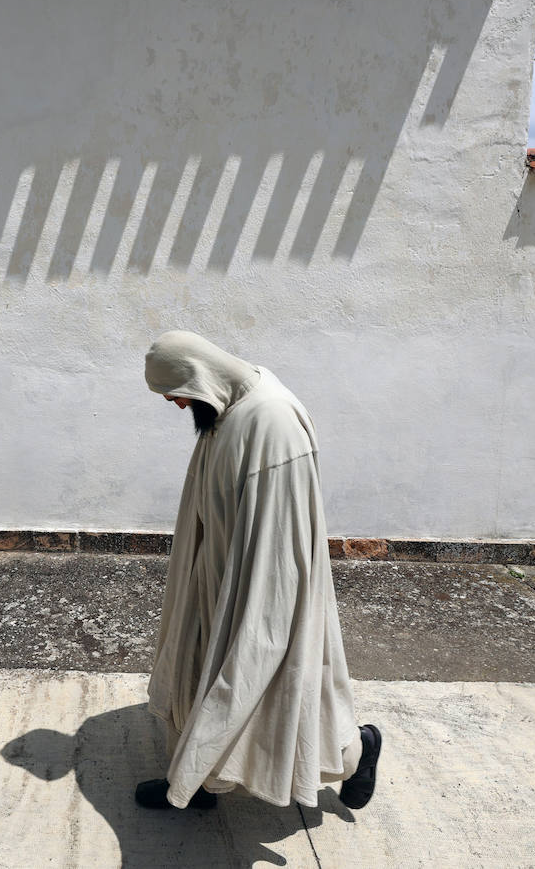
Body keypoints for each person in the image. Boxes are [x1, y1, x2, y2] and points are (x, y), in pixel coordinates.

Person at [135, 330, 381, 811]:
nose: (181, 408)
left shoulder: (271, 422)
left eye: (179, 396)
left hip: (260, 592)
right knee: (199, 675)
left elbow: (283, 545)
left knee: (280, 700)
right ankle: (200, 781)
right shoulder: (229, 405)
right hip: (218, 576)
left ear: (199, 375)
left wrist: (259, 621)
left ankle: (361, 750)